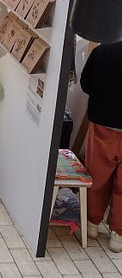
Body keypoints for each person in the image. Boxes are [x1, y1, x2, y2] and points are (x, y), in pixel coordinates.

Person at [80, 42, 122, 253]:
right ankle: (118, 235)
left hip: (103, 122)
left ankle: (92, 224)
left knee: (97, 175)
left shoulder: (103, 52)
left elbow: (86, 85)